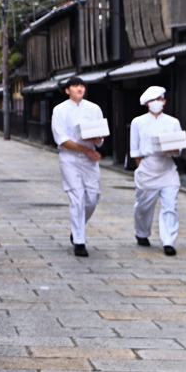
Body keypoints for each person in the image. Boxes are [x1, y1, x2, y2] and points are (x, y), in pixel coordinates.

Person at [51, 76, 105, 257]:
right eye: (75, 86)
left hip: (90, 159)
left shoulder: (94, 108)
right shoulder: (59, 110)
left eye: (82, 85)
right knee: (77, 198)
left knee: (92, 198)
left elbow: (100, 138)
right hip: (70, 158)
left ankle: (77, 227)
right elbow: (62, 139)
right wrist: (85, 150)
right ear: (68, 90)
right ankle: (79, 242)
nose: (79, 89)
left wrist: (95, 140)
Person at [130, 86, 182, 256]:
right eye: (153, 101)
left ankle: (168, 241)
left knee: (170, 205)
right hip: (147, 166)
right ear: (146, 103)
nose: (157, 103)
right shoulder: (137, 122)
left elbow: (178, 147)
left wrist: (173, 150)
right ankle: (142, 232)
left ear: (164, 102)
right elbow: (135, 150)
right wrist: (141, 169)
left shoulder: (173, 122)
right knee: (144, 206)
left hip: (167, 168)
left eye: (160, 100)